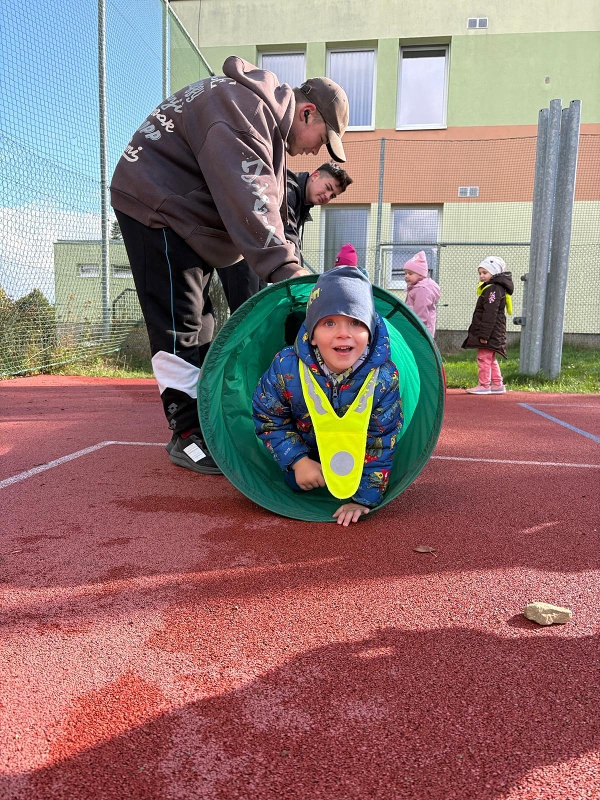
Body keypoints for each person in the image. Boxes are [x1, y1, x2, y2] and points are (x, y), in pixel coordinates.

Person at [110, 57, 349, 474]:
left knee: (203, 323)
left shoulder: (263, 125)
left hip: (189, 214)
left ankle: (204, 421)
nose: (316, 149)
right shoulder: (243, 112)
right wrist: (290, 276)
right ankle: (186, 435)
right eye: (321, 137)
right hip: (158, 206)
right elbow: (251, 199)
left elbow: (267, 206)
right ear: (307, 112)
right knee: (179, 321)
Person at [252, 266, 403, 526]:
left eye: (356, 322)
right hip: (307, 448)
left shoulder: (383, 377)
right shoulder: (287, 366)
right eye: (329, 322)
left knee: (362, 479)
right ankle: (302, 470)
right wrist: (298, 461)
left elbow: (381, 440)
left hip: (357, 452)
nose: (343, 333)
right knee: (296, 484)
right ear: (311, 334)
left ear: (371, 331)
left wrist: (364, 499)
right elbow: (268, 417)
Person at [216, 162, 353, 312]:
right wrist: (300, 278)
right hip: (242, 248)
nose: (327, 197)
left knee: (257, 309)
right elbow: (287, 234)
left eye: (333, 196)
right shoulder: (287, 189)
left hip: (260, 255)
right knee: (247, 312)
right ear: (315, 176)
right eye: (328, 188)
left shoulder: (301, 201)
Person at [462, 256, 514, 394]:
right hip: (494, 331)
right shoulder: (495, 288)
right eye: (480, 273)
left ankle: (484, 385)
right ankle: (497, 384)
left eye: (485, 273)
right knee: (490, 358)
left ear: (494, 273)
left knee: (483, 358)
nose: (481, 276)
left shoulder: (493, 290)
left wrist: (484, 334)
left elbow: (490, 314)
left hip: (490, 331)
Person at [402, 250, 441, 336]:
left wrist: (417, 329)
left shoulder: (422, 290)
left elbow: (421, 313)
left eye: (410, 273)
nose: (406, 276)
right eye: (405, 273)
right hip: (416, 328)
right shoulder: (415, 288)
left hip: (421, 331)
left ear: (420, 274)